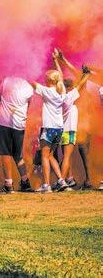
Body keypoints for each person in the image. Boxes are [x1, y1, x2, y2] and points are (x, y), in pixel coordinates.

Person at [28, 63, 85, 192]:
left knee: (44, 156)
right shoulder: (62, 92)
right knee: (50, 155)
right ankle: (61, 180)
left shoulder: (47, 91)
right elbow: (70, 83)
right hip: (59, 129)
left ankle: (46, 185)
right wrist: (57, 62)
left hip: (48, 128)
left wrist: (22, 71)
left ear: (49, 80)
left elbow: (32, 82)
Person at [54, 50, 93, 188]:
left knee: (81, 152)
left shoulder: (79, 87)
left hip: (81, 123)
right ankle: (70, 179)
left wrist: (61, 60)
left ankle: (87, 180)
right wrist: (62, 60)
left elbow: (75, 75)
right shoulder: (74, 90)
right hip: (73, 123)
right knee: (68, 153)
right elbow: (75, 75)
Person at [0, 77, 34, 193]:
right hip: (20, 124)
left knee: (6, 153)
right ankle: (25, 182)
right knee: (18, 155)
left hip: (5, 123)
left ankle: (8, 185)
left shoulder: (6, 80)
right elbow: (28, 106)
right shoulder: (29, 86)